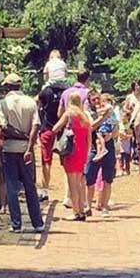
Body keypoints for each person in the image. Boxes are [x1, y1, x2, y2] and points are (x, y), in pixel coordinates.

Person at [0, 73, 44, 233]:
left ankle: (16, 224)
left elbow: (3, 127)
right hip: (26, 149)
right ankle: (38, 223)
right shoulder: (31, 102)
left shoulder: (3, 104)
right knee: (30, 185)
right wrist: (29, 146)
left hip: (10, 149)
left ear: (7, 87)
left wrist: (20, 135)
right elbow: (36, 125)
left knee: (11, 186)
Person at [52, 92, 91, 221]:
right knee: (79, 182)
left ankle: (76, 212)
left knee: (72, 183)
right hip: (82, 150)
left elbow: (55, 128)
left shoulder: (69, 114)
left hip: (71, 150)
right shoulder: (85, 116)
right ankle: (81, 210)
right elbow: (89, 137)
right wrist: (87, 151)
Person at [57, 69, 91, 207]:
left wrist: (67, 122)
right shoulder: (87, 93)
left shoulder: (65, 93)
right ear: (87, 79)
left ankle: (69, 198)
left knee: (69, 172)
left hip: (69, 137)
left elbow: (60, 113)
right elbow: (88, 115)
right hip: (83, 138)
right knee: (80, 175)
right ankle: (82, 204)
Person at [83, 90, 117, 217]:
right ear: (89, 101)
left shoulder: (109, 111)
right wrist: (103, 118)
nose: (97, 102)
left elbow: (116, 126)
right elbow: (91, 126)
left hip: (109, 145)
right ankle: (88, 206)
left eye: (98, 99)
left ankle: (104, 206)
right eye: (94, 100)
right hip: (92, 148)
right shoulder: (88, 113)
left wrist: (112, 134)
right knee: (90, 179)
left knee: (108, 178)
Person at [37, 79, 69, 202]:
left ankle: (45, 190)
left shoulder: (46, 91)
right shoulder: (67, 92)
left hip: (47, 129)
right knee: (67, 161)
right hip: (63, 129)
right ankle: (68, 194)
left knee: (46, 161)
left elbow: (38, 104)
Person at [118, 110, 133, 176]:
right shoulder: (119, 124)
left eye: (124, 116)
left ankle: (127, 169)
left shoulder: (129, 125)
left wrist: (127, 136)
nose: (123, 118)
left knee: (127, 157)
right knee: (121, 157)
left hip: (127, 143)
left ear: (127, 117)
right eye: (122, 116)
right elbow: (117, 132)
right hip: (120, 142)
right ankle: (121, 169)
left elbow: (132, 134)